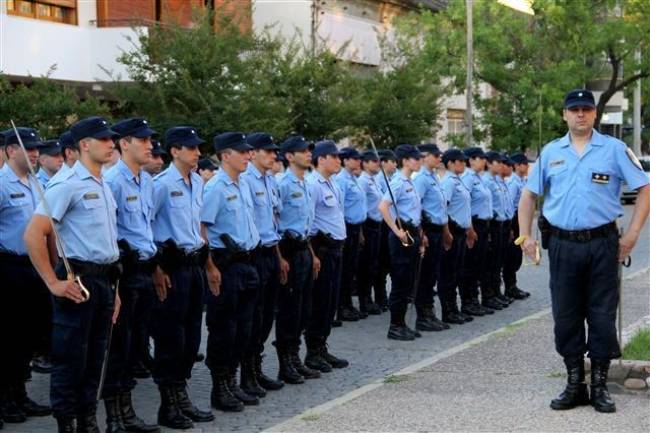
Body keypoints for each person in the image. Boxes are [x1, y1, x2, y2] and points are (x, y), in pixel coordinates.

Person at [519, 89, 650, 413]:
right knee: (566, 315)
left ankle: (600, 387)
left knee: (602, 316)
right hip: (562, 245)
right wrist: (526, 237)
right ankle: (574, 384)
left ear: (595, 114)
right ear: (564, 114)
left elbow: (645, 187)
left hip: (603, 245)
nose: (580, 114)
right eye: (574, 109)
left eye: (586, 109)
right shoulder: (551, 152)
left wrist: (632, 234)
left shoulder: (614, 149)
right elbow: (529, 196)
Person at [23, 117, 122, 433]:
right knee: (70, 359)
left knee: (95, 358)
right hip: (79, 282)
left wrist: (114, 291)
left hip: (104, 282)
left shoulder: (103, 183)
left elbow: (107, 243)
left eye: (111, 139)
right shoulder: (67, 184)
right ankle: (67, 424)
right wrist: (53, 283)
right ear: (84, 145)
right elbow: (34, 234)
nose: (111, 144)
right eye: (104, 139)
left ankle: (87, 420)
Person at [150, 126, 213, 429]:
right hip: (171, 269)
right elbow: (145, 226)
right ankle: (168, 404)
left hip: (194, 265)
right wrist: (157, 268)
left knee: (191, 337)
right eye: (190, 147)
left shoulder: (198, 181)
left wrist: (209, 263)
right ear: (174, 151)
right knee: (170, 338)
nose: (197, 152)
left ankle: (181, 395)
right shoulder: (161, 184)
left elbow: (200, 226)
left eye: (197, 147)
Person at [102, 118, 160, 433]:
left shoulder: (147, 182)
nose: (150, 145)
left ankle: (128, 412)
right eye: (143, 140)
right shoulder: (112, 182)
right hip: (123, 274)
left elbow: (146, 228)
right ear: (125, 143)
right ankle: (115, 416)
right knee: (119, 347)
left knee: (136, 346)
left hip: (145, 271)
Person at [202, 132, 262, 412]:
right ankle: (219, 387)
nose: (249, 155)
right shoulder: (215, 188)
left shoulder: (243, 185)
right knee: (224, 329)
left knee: (243, 329)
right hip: (226, 266)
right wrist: (210, 267)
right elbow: (202, 228)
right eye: (243, 152)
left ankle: (232, 380)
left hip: (247, 262)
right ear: (225, 156)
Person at [240, 132, 301, 397]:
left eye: (274, 151)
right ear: (252, 153)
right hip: (252, 255)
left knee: (265, 318)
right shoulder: (244, 181)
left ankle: (256, 369)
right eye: (267, 151)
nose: (273, 155)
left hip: (270, 254)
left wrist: (279, 257)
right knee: (251, 319)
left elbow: (272, 222)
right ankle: (246, 374)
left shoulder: (270, 181)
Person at [0, 127, 52, 429]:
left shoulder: (36, 183)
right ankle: (5, 396)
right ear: (10, 151)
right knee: (8, 336)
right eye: (28, 149)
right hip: (9, 267)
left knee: (29, 336)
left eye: (36, 149)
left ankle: (20, 393)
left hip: (35, 267)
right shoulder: (2, 183)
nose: (34, 153)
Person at [275, 136, 317, 385]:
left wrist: (312, 254)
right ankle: (285, 363)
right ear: (289, 156)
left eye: (309, 150)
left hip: (303, 250)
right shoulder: (282, 184)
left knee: (303, 310)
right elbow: (274, 223)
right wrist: (280, 258)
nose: (308, 154)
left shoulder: (305, 184)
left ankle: (295, 357)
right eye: (303, 151)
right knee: (289, 311)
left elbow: (306, 224)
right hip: (287, 252)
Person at [304, 140, 349, 372]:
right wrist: (313, 255)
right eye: (334, 156)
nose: (338, 160)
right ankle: (312, 352)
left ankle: (322, 347)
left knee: (330, 301)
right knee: (320, 302)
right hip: (321, 248)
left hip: (336, 249)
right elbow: (309, 224)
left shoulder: (333, 184)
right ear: (321, 159)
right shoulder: (312, 185)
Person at [378, 144, 424, 341]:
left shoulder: (409, 182)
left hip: (413, 233)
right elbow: (383, 206)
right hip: (402, 236)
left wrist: (420, 238)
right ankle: (395, 326)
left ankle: (402, 323)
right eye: (415, 158)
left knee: (408, 281)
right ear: (405, 160)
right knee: (400, 281)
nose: (419, 161)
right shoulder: (397, 182)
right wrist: (397, 231)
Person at [413, 143, 452, 331]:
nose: (439, 158)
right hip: (427, 231)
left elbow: (441, 208)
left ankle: (429, 313)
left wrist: (446, 231)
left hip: (437, 230)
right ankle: (423, 316)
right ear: (425, 156)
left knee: (433, 274)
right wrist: (420, 233)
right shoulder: (420, 178)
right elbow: (415, 207)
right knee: (425, 275)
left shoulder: (434, 177)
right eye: (436, 155)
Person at [438, 149, 476, 325]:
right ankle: (448, 311)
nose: (463, 164)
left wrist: (469, 229)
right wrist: (447, 232)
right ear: (450, 163)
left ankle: (454, 308)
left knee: (456, 271)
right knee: (448, 273)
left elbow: (464, 209)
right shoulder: (448, 182)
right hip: (452, 231)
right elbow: (443, 208)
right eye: (460, 161)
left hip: (461, 231)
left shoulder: (457, 181)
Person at [459, 147, 497, 315]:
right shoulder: (467, 178)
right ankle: (468, 301)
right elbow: (464, 204)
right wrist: (469, 229)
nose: (484, 161)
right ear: (471, 160)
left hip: (483, 225)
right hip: (473, 225)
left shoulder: (477, 178)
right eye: (481, 158)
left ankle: (476, 299)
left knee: (480, 264)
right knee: (470, 265)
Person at [334, 147, 367, 321]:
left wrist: (360, 231)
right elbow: (339, 208)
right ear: (345, 160)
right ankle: (341, 306)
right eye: (355, 158)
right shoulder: (341, 180)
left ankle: (347, 304)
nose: (358, 161)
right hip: (345, 228)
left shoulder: (353, 179)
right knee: (344, 270)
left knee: (351, 269)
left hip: (355, 228)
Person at [482, 151, 514, 309]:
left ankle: (496, 292)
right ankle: (488, 295)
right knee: (490, 263)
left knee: (497, 262)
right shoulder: (486, 181)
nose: (501, 165)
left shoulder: (497, 181)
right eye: (497, 162)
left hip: (502, 225)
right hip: (492, 225)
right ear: (489, 163)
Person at [356, 150, 383, 316]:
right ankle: (364, 300)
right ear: (364, 163)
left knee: (373, 265)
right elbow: (361, 207)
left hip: (377, 226)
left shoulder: (374, 181)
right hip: (367, 225)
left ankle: (368, 298)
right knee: (365, 266)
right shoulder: (363, 181)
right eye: (373, 161)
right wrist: (361, 232)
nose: (377, 163)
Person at [503, 153, 531, 300]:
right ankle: (509, 287)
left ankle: (512, 285)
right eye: (524, 164)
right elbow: (510, 205)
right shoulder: (513, 182)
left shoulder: (522, 181)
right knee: (511, 256)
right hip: (514, 220)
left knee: (517, 255)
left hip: (520, 220)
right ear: (517, 166)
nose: (527, 166)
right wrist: (512, 228)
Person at [373, 149, 398, 312]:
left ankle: (384, 297)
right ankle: (380, 296)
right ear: (383, 163)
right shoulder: (379, 180)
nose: (395, 164)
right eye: (392, 161)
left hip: (391, 224)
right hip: (382, 225)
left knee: (389, 262)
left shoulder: (391, 179)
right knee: (381, 263)